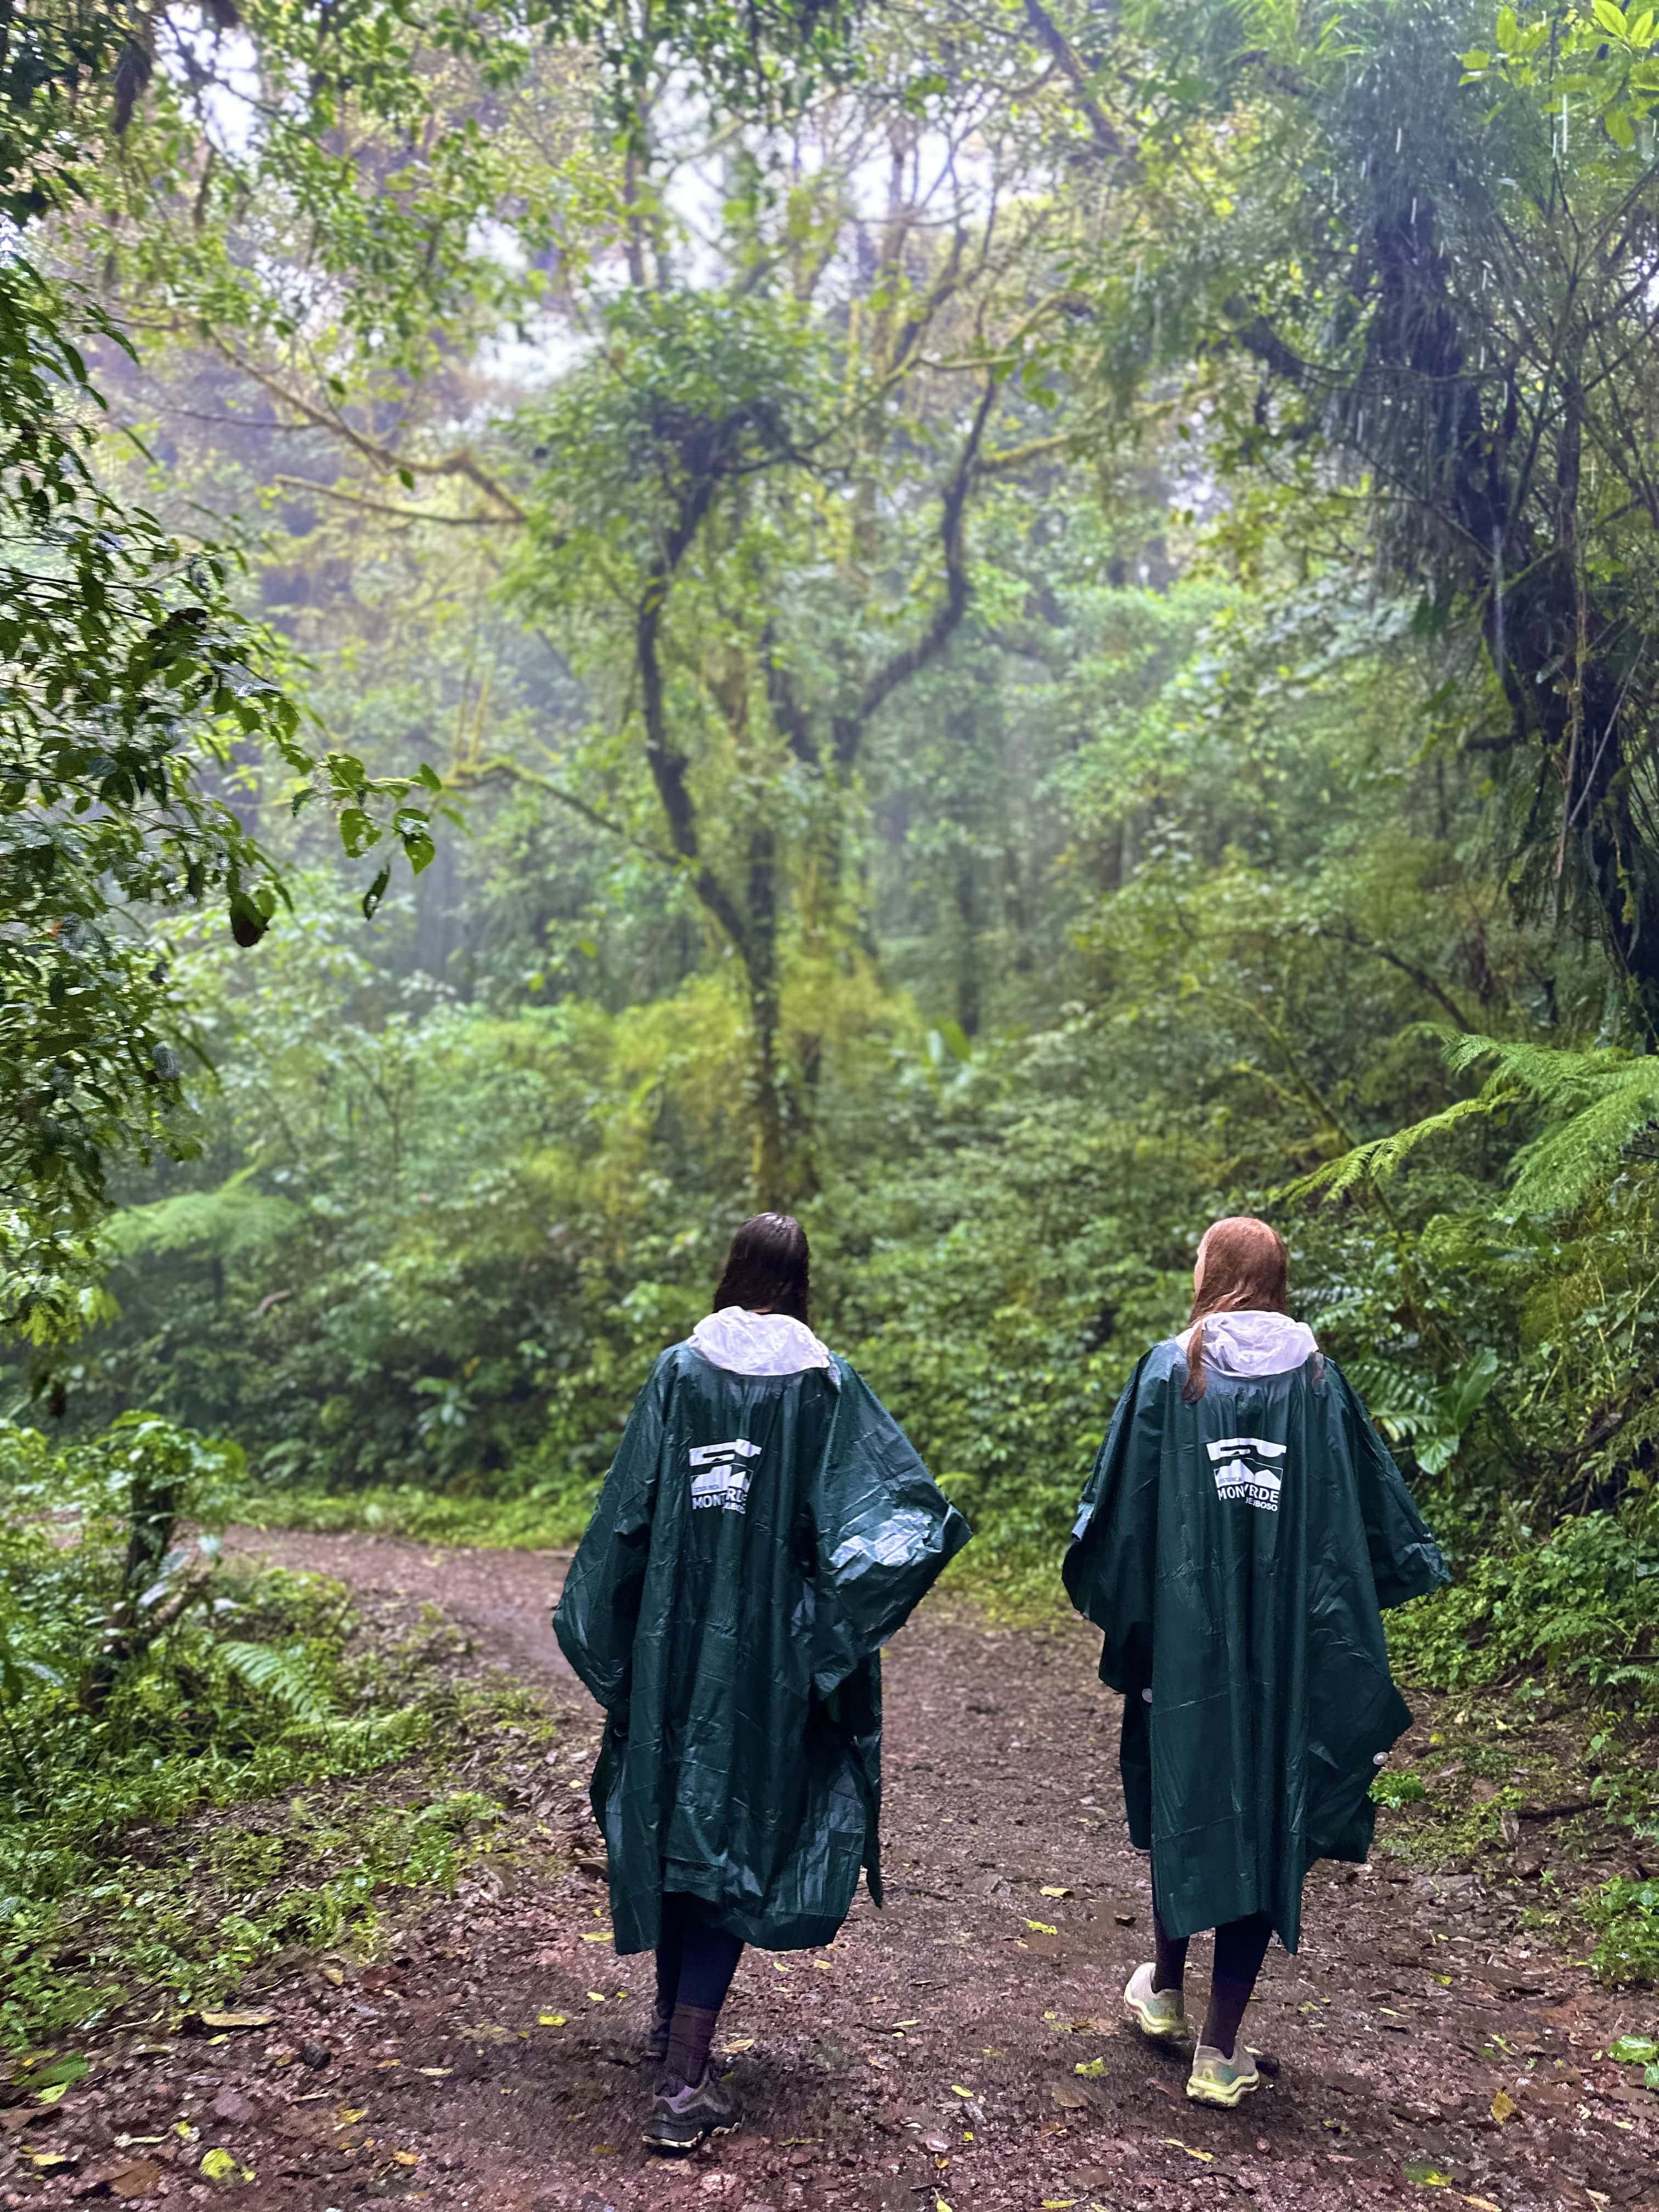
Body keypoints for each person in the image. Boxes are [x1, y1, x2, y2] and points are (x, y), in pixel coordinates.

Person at [553, 1211, 970, 2155]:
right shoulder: (826, 1387)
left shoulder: (679, 1374)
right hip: (769, 1670)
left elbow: (627, 1521)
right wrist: (824, 1640)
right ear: (801, 1280)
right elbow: (896, 1524)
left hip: (677, 1652)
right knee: (739, 1837)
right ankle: (683, 2085)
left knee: (682, 1824)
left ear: (731, 1269)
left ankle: (671, 2032)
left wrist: (613, 1647)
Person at [1063, 1216, 1447, 2109]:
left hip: (1185, 1650)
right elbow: (1368, 1526)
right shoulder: (1317, 1381)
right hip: (1286, 1656)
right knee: (1267, 1813)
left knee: (1187, 1795)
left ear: (1216, 1272)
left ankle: (1165, 1988)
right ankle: (1213, 2046)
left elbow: (1120, 1515)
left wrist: (1136, 1624)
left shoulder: (1171, 1369)